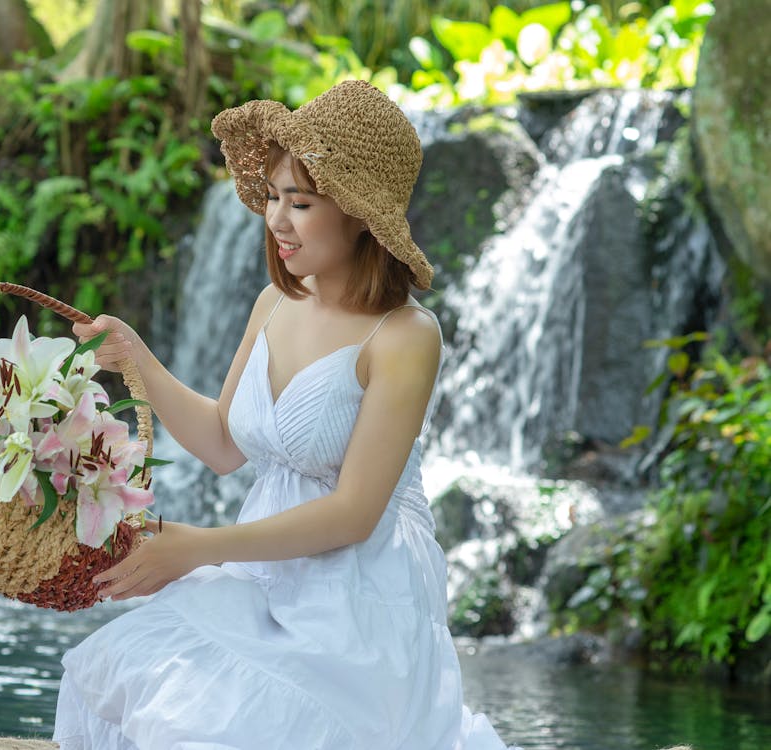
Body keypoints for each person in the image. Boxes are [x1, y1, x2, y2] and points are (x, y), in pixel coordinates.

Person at [53, 80, 514, 750]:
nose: (276, 220)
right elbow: (221, 444)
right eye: (272, 198)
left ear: (359, 214)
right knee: (115, 676)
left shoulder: (405, 335)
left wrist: (198, 550)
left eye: (299, 202)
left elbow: (354, 515)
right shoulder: (275, 302)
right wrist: (136, 361)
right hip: (263, 568)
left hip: (357, 592)